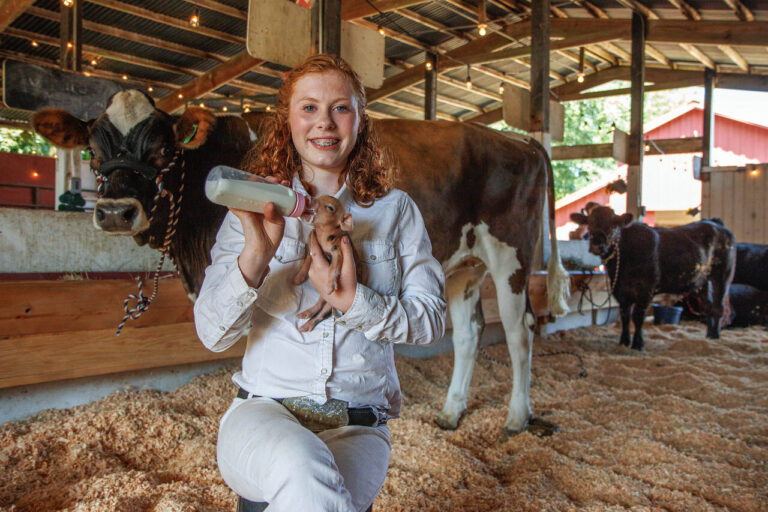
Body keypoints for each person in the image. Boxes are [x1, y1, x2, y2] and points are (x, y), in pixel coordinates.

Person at [193, 54, 446, 512]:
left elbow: (430, 322)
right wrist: (256, 254)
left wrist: (356, 303)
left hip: (357, 426)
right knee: (303, 465)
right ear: (286, 120)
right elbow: (212, 335)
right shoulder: (254, 208)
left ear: (360, 119)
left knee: (313, 489)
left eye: (340, 108)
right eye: (308, 107)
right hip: (263, 414)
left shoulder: (396, 210)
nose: (324, 123)